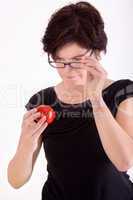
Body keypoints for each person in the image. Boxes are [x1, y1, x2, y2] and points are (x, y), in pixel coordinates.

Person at [7, 1, 133, 199]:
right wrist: (25, 142)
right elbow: (16, 181)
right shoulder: (43, 100)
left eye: (77, 60)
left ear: (97, 52)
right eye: (59, 61)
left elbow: (124, 161)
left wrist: (96, 98)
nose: (68, 70)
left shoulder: (122, 93)